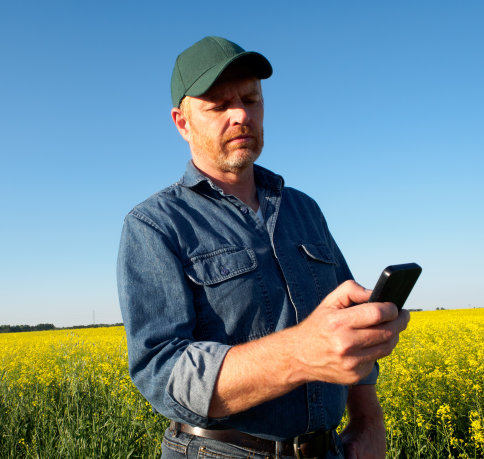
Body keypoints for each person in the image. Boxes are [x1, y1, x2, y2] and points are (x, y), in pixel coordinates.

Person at [117, 36, 410, 459]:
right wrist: (300, 354)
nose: (240, 115)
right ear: (182, 122)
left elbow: (347, 324)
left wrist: (368, 420)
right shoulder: (154, 225)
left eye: (251, 99)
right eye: (218, 105)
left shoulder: (304, 209)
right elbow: (163, 373)